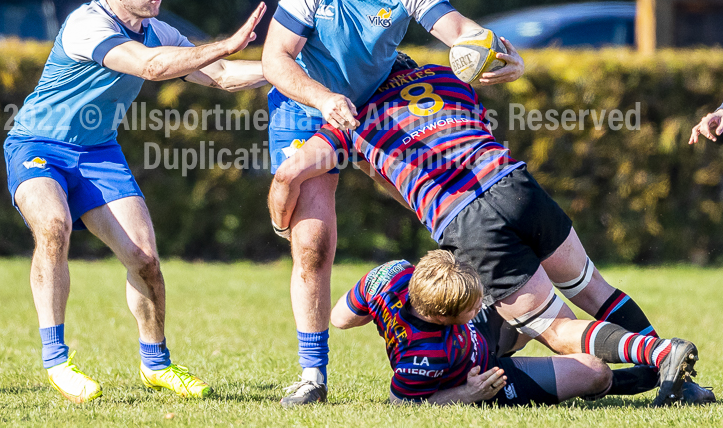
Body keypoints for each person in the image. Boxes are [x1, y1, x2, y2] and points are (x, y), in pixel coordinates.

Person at [269, 62, 713, 406]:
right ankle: (676, 382)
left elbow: (290, 173)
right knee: (593, 288)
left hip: (470, 220)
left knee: (554, 328)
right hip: (515, 184)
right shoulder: (446, 80)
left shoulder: (353, 113)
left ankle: (660, 355)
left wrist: (280, 223)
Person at [260, 0, 524, 407]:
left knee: (447, 205)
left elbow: (460, 32)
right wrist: (326, 99)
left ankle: (488, 304)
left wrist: (502, 55)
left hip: (379, 99)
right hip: (304, 104)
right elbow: (275, 61)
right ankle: (313, 376)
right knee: (312, 242)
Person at [4, 0, 267, 403]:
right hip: (37, 145)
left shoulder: (158, 31)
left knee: (145, 259)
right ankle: (57, 361)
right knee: (53, 225)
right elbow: (151, 67)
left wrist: (290, 68)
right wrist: (225, 42)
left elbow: (223, 76)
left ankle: (156, 365)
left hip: (98, 152)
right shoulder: (88, 25)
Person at [331, 251, 663, 406]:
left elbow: (340, 318)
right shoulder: (425, 358)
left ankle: (649, 353)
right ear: (444, 317)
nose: (482, 305)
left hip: (477, 336)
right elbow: (400, 405)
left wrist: (389, 319)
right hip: (484, 375)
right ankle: (623, 383)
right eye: (472, 306)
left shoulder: (394, 273)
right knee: (595, 371)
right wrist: (467, 393)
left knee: (540, 308)